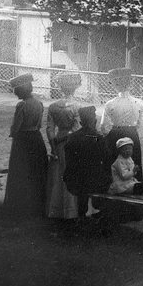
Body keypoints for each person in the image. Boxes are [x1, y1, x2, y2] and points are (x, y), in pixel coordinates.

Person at [5, 73, 48, 215]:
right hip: (36, 138)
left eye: (16, 90)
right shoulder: (39, 103)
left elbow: (16, 126)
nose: (15, 93)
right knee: (36, 170)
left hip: (23, 140)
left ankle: (20, 204)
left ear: (21, 90)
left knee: (21, 171)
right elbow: (39, 124)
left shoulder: (22, 105)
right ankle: (37, 203)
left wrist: (13, 133)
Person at [63, 106, 111, 225]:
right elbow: (106, 159)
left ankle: (82, 216)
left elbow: (69, 161)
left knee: (83, 189)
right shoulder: (97, 138)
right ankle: (96, 214)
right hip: (95, 180)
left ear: (80, 122)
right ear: (94, 121)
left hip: (76, 179)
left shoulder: (72, 137)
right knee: (100, 182)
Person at [45, 72, 82, 224]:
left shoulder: (53, 106)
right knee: (71, 172)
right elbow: (77, 128)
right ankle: (71, 210)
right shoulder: (77, 106)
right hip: (71, 142)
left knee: (59, 174)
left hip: (59, 142)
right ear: (75, 89)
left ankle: (56, 209)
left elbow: (49, 129)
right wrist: (68, 136)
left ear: (61, 88)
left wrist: (54, 145)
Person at [99, 68, 143, 180]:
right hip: (132, 133)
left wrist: (109, 136)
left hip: (115, 133)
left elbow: (103, 126)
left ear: (115, 85)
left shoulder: (110, 104)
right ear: (130, 83)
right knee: (134, 161)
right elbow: (139, 123)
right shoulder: (139, 102)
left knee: (114, 161)